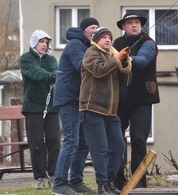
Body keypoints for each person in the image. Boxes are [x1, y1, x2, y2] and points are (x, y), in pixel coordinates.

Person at [80, 27, 132, 195]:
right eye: (104, 38)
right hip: (93, 108)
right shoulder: (91, 53)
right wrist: (117, 59)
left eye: (110, 37)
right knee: (99, 149)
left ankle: (110, 181)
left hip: (111, 111)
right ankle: (102, 185)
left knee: (118, 146)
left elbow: (125, 80)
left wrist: (124, 62)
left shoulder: (113, 55)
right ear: (96, 40)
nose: (108, 40)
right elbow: (99, 70)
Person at [52, 17, 100, 195]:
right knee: (71, 141)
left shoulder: (88, 46)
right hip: (69, 99)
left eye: (97, 27)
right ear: (84, 31)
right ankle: (59, 184)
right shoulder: (75, 45)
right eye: (91, 27)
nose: (94, 30)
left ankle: (76, 182)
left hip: (80, 100)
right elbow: (83, 66)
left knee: (83, 143)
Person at [112, 13, 159, 189]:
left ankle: (139, 181)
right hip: (120, 100)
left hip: (142, 99)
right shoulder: (115, 44)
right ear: (123, 26)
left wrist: (127, 58)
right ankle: (117, 180)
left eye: (137, 23)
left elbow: (143, 60)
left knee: (139, 140)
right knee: (117, 139)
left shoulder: (148, 42)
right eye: (130, 23)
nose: (134, 26)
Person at [20, 30, 61, 189]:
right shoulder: (26, 59)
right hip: (33, 108)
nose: (44, 45)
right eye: (41, 41)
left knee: (54, 142)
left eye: (46, 42)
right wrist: (50, 76)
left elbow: (55, 69)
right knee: (36, 144)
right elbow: (35, 72)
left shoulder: (51, 59)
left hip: (51, 107)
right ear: (34, 42)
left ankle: (53, 175)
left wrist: (56, 74)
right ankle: (40, 177)